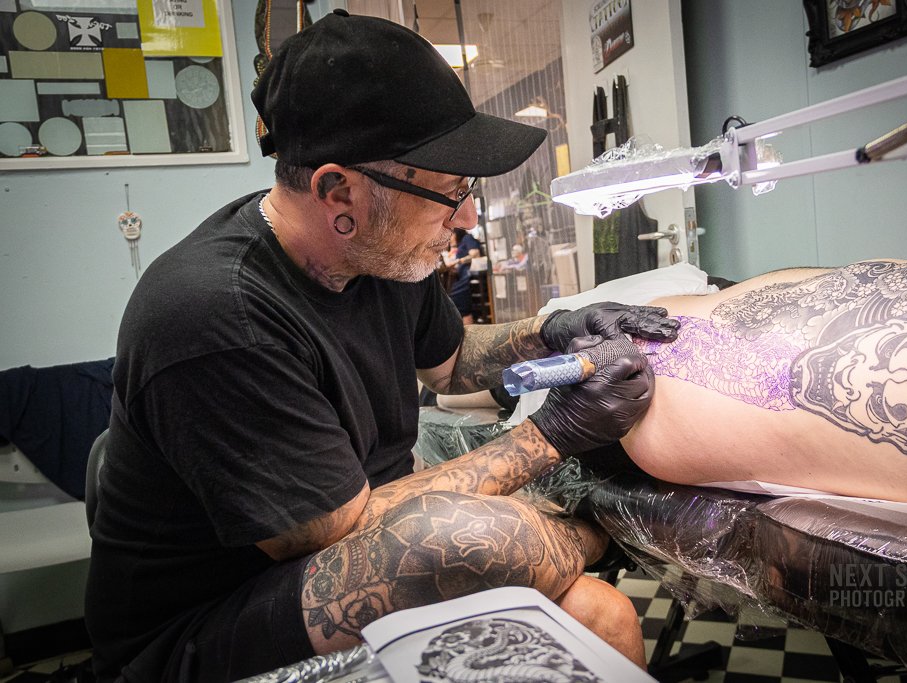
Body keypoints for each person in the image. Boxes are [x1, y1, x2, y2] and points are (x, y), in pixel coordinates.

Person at [84, 12, 681, 682]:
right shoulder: (215, 314)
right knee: (471, 539)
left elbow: (453, 361)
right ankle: (595, 527)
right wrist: (558, 433)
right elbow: (344, 528)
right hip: (201, 630)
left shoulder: (381, 251)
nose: (467, 218)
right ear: (340, 192)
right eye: (450, 192)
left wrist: (551, 330)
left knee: (604, 617)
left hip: (356, 542)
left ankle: (584, 531)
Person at [617, 141, 907, 516]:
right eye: (895, 349)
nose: (862, 377)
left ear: (895, 434)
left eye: (887, 402)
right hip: (663, 308)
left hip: (622, 419)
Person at [446, 227, 483, 324]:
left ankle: (467, 326)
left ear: (456, 233)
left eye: (451, 235)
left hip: (468, 275)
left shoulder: (467, 238)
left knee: (457, 297)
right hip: (462, 274)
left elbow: (475, 254)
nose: (450, 238)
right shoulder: (459, 244)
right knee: (452, 297)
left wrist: (458, 261)